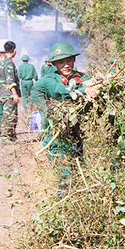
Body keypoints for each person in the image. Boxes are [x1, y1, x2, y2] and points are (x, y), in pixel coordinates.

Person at [32, 42, 96, 185]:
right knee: (64, 174)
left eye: (69, 60)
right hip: (56, 133)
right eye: (61, 62)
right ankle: (63, 202)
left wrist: (94, 88)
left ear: (74, 60)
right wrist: (84, 91)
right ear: (54, 64)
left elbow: (91, 84)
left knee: (80, 166)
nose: (66, 65)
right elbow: (58, 90)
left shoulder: (81, 77)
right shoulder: (50, 79)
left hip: (75, 131)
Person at [0, 41, 21, 141]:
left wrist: (0, 94)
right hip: (9, 94)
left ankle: (10, 136)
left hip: (4, 93)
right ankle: (6, 137)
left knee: (10, 115)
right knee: (10, 116)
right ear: (14, 50)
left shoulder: (2, 61)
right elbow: (10, 80)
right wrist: (15, 94)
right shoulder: (8, 63)